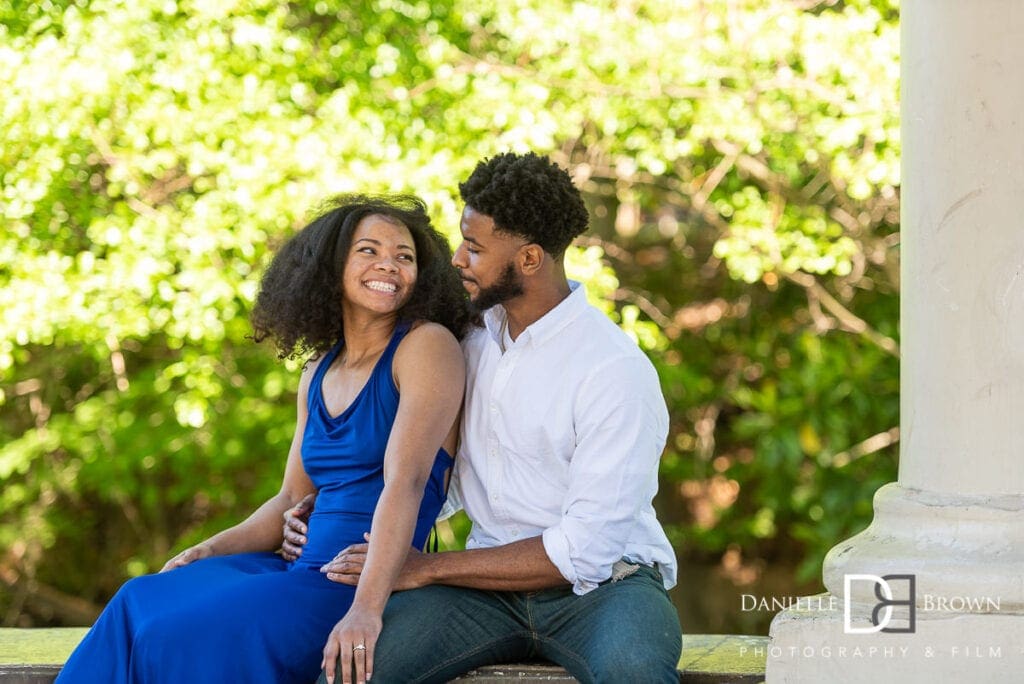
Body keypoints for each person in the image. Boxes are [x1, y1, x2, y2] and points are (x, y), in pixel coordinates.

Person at [299, 153, 681, 684]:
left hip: (604, 590)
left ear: (528, 259)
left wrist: (426, 567)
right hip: (480, 592)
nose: (456, 259)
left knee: (634, 670)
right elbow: (435, 474)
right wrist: (330, 508)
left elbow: (584, 552)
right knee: (352, 669)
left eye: (474, 248)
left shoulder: (614, 370)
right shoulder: (468, 341)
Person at [55, 194, 470, 684]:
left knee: (185, 631)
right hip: (294, 570)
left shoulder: (425, 346)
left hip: (355, 583)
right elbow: (291, 498)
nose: (389, 265)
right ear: (331, 265)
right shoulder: (319, 368)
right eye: (369, 251)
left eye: (405, 257)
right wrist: (208, 550)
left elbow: (408, 482)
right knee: (139, 599)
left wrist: (366, 611)